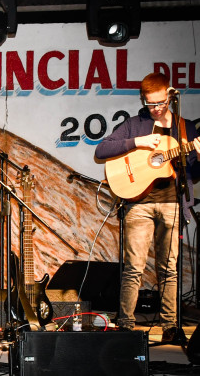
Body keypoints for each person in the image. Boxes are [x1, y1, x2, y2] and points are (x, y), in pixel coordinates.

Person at [95, 72, 200, 341]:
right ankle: (126, 326)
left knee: (169, 269)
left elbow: (193, 174)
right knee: (134, 268)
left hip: (172, 205)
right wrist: (138, 142)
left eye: (160, 103)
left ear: (170, 96)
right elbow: (102, 151)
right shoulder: (135, 124)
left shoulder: (185, 128)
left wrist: (198, 155)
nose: (155, 109)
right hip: (138, 204)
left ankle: (170, 327)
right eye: (150, 103)